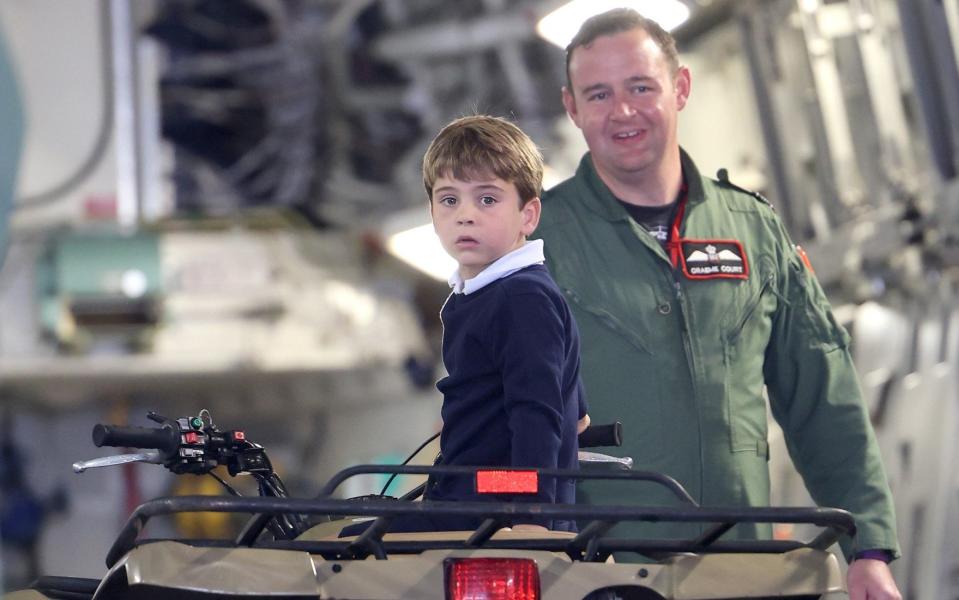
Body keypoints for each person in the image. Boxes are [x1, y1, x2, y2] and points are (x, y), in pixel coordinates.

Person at [531, 8, 901, 598]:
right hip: (597, 574)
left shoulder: (753, 231)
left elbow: (822, 400)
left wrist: (869, 547)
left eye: (640, 87)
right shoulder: (536, 242)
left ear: (680, 89)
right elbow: (491, 413)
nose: (621, 111)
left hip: (743, 569)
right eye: (598, 94)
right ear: (572, 108)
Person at [343, 115, 588, 537]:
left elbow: (538, 414)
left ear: (528, 215)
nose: (465, 215)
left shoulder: (520, 297)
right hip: (475, 497)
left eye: (488, 199)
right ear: (433, 212)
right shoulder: (480, 295)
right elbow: (578, 418)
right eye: (450, 199)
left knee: (329, 551)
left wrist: (530, 518)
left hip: (498, 511)